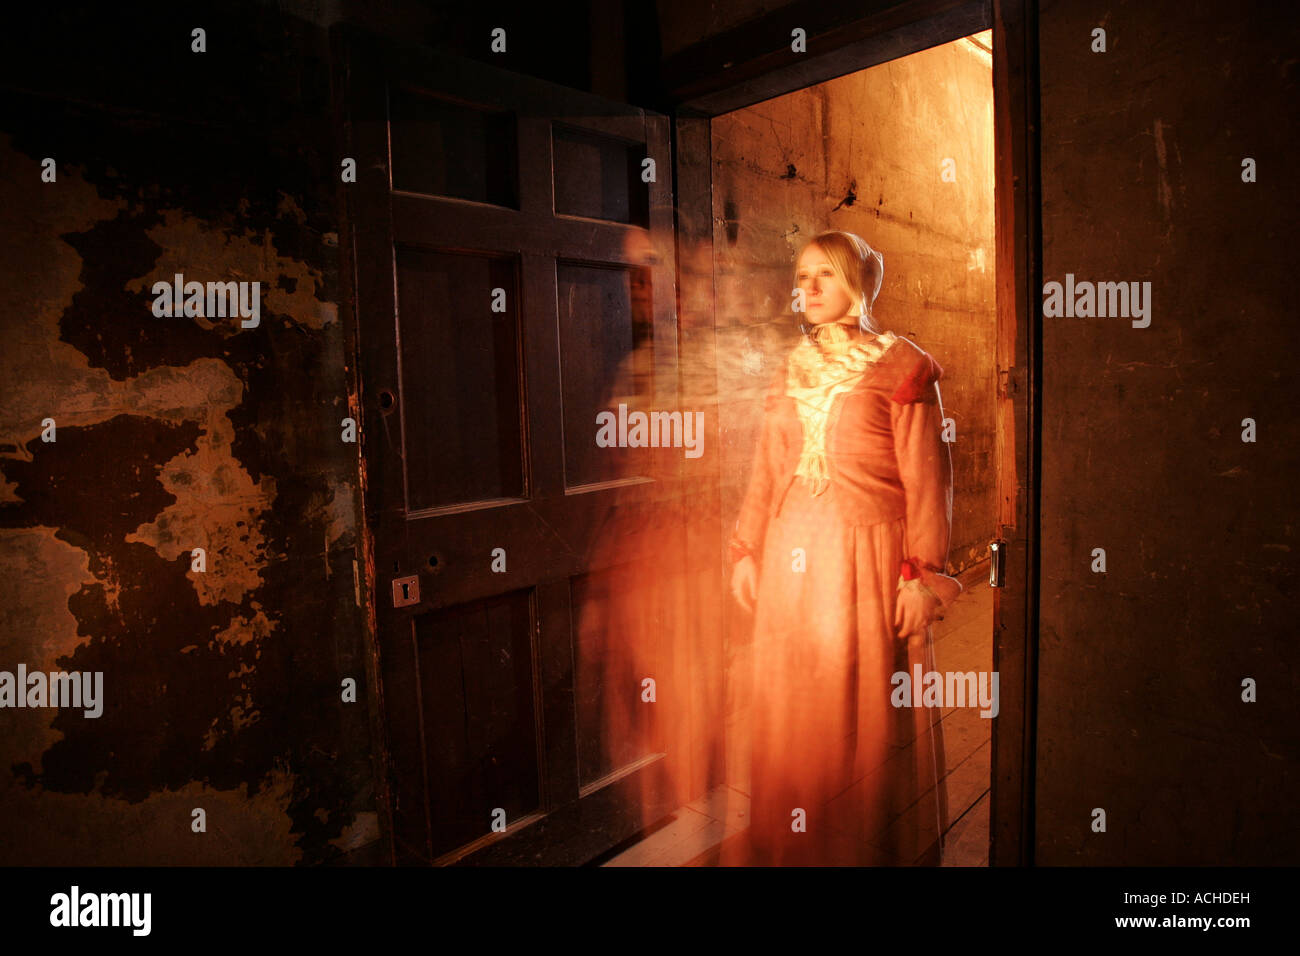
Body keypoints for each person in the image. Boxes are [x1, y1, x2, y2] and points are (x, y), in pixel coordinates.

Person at [726, 231, 961, 865]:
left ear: (857, 283)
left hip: (866, 557)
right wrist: (747, 547)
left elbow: (926, 478)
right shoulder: (790, 367)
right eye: (801, 276)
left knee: (858, 711)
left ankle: (860, 851)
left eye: (824, 276)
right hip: (790, 557)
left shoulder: (903, 366)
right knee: (791, 706)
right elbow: (768, 467)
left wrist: (922, 576)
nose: (807, 289)